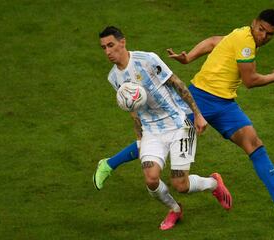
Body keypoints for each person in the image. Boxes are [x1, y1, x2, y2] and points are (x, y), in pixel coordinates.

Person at [94, 9, 274, 220]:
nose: (263, 36)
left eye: (269, 34)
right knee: (159, 134)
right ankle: (109, 164)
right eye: (261, 30)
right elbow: (250, 81)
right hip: (201, 97)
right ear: (254, 23)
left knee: (254, 145)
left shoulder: (241, 34)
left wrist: (190, 57)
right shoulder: (246, 40)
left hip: (224, 104)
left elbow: (214, 42)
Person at [95, 26, 232, 230]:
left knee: (181, 185)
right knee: (151, 179)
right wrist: (140, 140)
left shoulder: (147, 60)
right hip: (152, 131)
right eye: (104, 47)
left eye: (111, 45)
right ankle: (175, 210)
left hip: (179, 123)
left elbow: (177, 83)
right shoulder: (113, 78)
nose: (107, 51)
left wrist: (198, 114)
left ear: (122, 42)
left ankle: (213, 183)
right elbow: (133, 111)